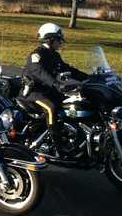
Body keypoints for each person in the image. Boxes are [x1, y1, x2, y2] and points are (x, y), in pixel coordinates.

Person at [19, 22, 89, 157]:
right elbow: (40, 73)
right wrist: (56, 84)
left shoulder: (54, 55)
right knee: (51, 108)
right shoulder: (36, 55)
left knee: (74, 102)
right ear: (49, 39)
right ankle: (57, 144)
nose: (60, 43)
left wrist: (87, 77)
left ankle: (72, 135)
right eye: (58, 40)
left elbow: (67, 68)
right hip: (34, 94)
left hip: (49, 91)